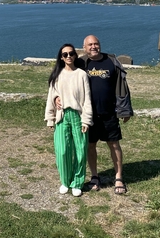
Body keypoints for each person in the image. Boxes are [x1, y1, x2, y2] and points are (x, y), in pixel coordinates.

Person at [79, 35, 133, 194]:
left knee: (114, 145)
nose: (93, 47)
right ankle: (94, 176)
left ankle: (118, 178)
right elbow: (66, 80)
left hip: (110, 113)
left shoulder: (111, 62)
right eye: (90, 45)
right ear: (84, 47)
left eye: (96, 44)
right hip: (88, 115)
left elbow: (122, 86)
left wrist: (125, 109)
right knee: (90, 145)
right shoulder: (81, 63)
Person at [45, 43, 93, 197]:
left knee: (80, 150)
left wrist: (86, 120)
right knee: (62, 151)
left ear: (75, 55)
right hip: (62, 116)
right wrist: (50, 118)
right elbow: (51, 97)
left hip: (78, 116)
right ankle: (65, 181)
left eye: (71, 53)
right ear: (61, 57)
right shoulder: (57, 76)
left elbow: (87, 99)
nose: (69, 57)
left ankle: (77, 182)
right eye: (65, 54)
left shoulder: (81, 74)